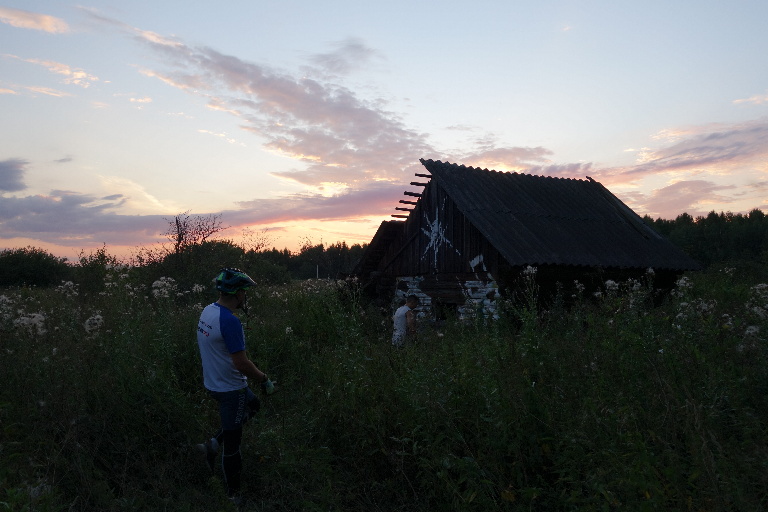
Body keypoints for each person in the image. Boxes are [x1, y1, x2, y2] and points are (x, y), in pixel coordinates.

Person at [195, 267, 276, 504]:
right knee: (233, 446)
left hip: (213, 382)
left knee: (254, 406)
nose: (245, 297)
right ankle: (233, 497)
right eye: (245, 293)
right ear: (239, 294)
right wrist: (264, 378)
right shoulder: (229, 321)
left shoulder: (208, 310)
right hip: (231, 389)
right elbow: (241, 363)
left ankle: (211, 443)